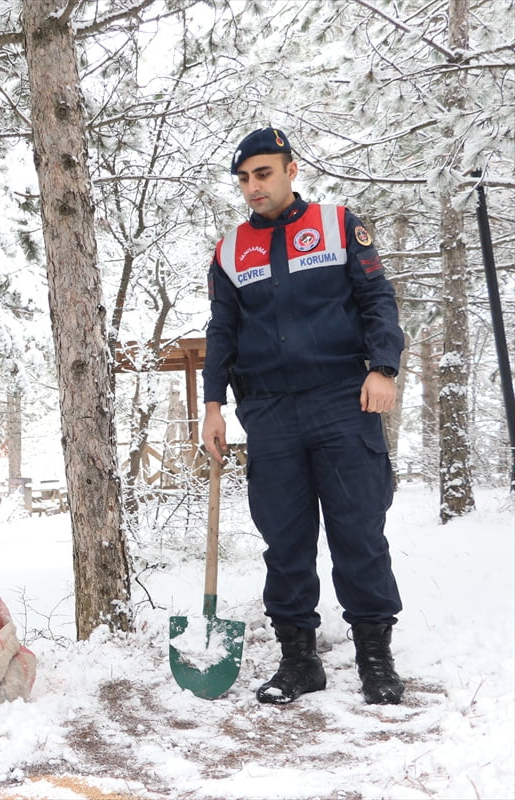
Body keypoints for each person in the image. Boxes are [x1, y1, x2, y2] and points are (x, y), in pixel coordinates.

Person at [201, 127, 406, 706]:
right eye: (243, 179)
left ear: (291, 170)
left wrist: (383, 367)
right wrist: (213, 405)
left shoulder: (340, 226)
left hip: (344, 400)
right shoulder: (230, 249)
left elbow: (377, 301)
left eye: (263, 173)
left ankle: (375, 656)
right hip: (268, 411)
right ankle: (299, 660)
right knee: (284, 540)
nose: (252, 187)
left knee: (358, 531)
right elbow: (223, 332)